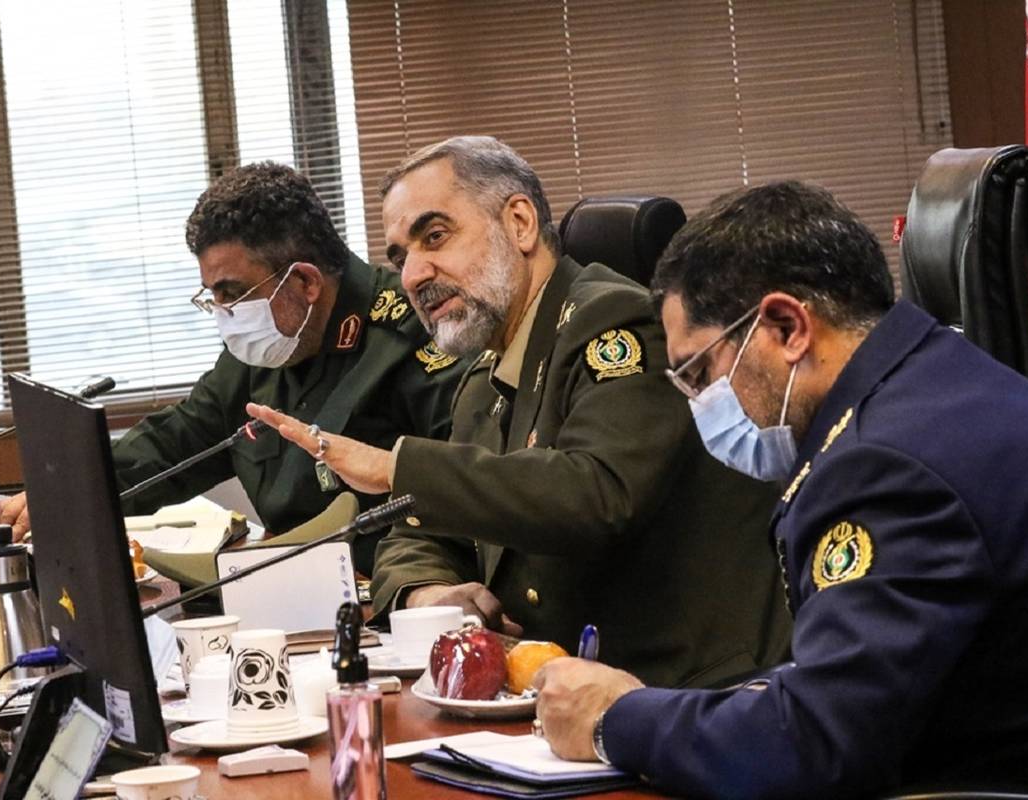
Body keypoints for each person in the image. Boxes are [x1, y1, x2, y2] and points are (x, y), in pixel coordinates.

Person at [534, 181, 1028, 796]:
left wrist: (613, 719)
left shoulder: (884, 467)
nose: (699, 402)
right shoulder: (936, 382)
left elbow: (812, 744)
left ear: (787, 326)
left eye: (699, 371)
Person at [248, 136, 791, 687]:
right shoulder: (484, 377)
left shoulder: (615, 323)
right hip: (551, 697)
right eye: (400, 257)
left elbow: (598, 493)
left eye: (435, 237)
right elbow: (421, 529)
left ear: (520, 223)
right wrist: (428, 591)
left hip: (684, 694)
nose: (412, 275)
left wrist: (393, 468)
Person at [0, 161, 463, 575]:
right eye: (213, 295)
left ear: (305, 281)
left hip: (394, 598)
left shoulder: (415, 332)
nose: (224, 311)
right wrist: (66, 489)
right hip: (284, 585)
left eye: (232, 292)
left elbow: (459, 495)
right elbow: (175, 443)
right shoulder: (268, 346)